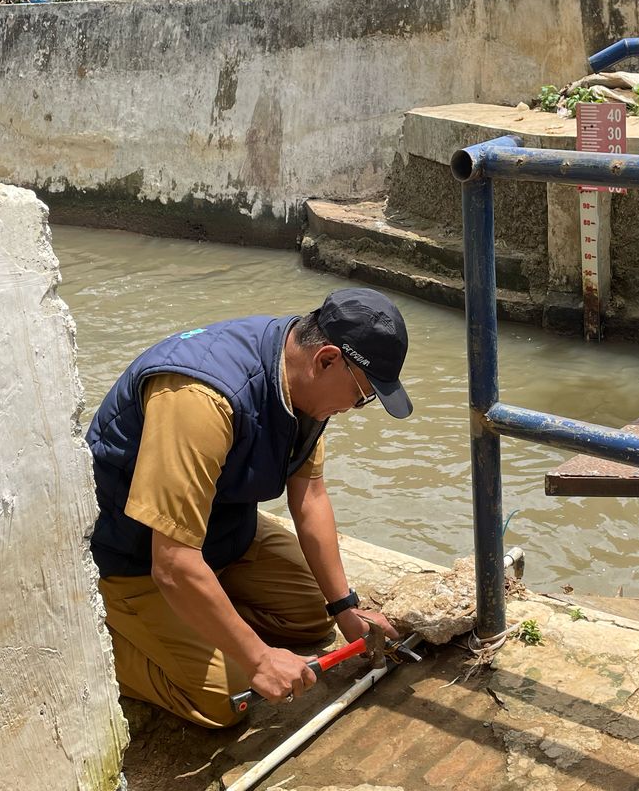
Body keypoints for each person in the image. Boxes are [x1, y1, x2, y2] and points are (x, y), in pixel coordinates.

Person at [85, 286, 411, 727]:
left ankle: (200, 615)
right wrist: (258, 659)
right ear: (328, 359)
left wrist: (345, 606)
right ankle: (103, 633)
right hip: (137, 556)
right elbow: (174, 562)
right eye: (363, 395)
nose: (356, 407)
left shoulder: (301, 382)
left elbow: (310, 494)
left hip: (222, 530)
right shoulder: (200, 399)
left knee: (314, 622)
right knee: (231, 696)